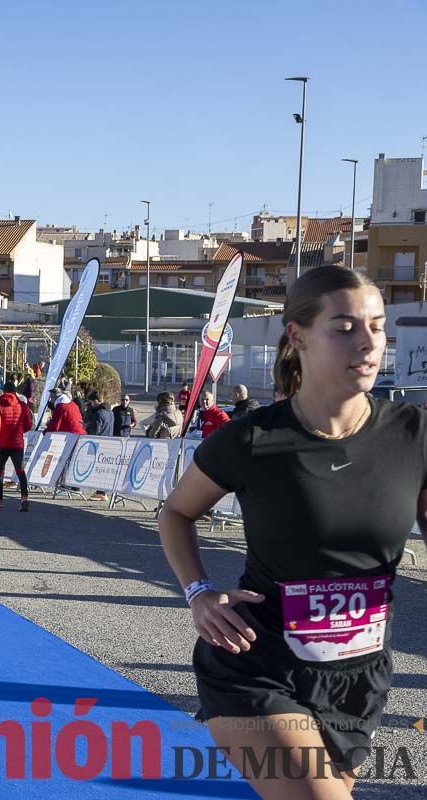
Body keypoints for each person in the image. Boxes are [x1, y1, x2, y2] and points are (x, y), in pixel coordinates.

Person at [158, 266, 413, 798]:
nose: (368, 343)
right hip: (257, 662)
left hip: (359, 676)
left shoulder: (414, 435)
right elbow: (175, 514)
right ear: (297, 337)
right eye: (343, 327)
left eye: (377, 326)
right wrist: (199, 593)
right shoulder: (252, 440)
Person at [0, 381, 33, 511]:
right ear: (15, 391)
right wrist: (19, 431)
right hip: (17, 443)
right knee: (20, 470)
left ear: (4, 391)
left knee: (0, 471)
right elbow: (28, 424)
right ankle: (24, 497)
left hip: (2, 443)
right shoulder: (22, 405)